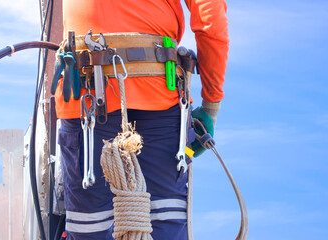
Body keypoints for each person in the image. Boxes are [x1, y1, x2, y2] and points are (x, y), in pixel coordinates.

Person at [55, 0, 229, 239]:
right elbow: (211, 18)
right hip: (158, 101)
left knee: (90, 227)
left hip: (86, 98)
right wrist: (210, 105)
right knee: (164, 221)